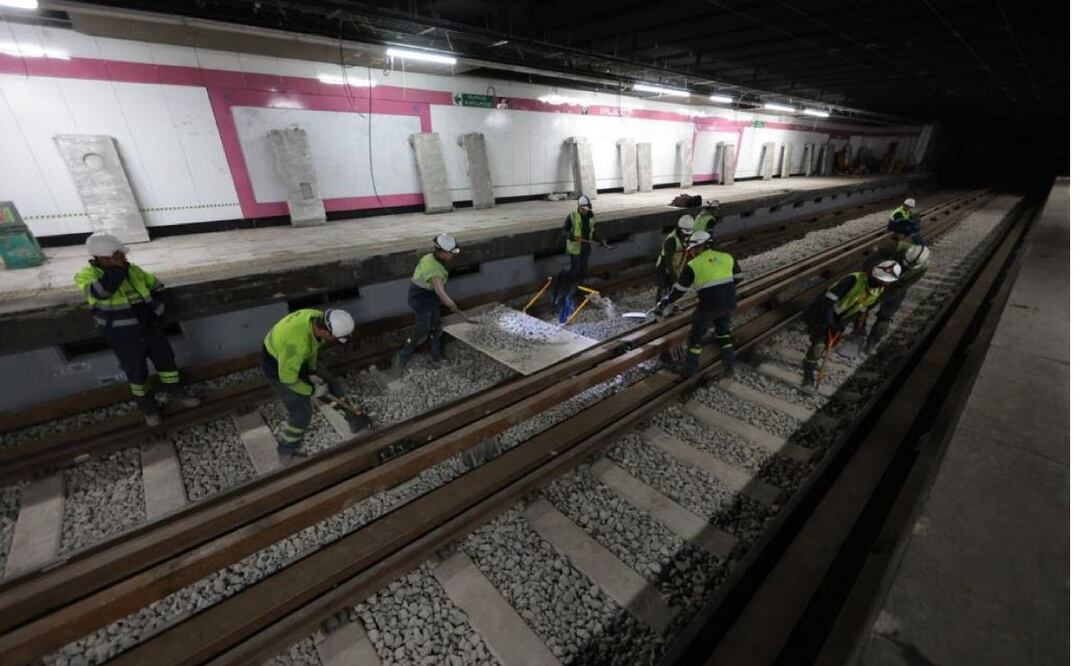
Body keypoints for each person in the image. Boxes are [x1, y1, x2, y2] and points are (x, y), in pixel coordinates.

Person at [74, 232, 200, 427]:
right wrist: (116, 270)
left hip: (149, 326)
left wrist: (160, 307)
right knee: (137, 372)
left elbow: (156, 285)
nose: (124, 257)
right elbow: (102, 292)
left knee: (166, 361)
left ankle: (176, 392)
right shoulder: (87, 275)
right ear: (102, 257)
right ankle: (148, 408)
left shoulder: (133, 269)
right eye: (118, 254)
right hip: (122, 334)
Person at [262, 307, 370, 456]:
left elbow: (313, 346)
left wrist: (312, 372)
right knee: (301, 413)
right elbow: (288, 380)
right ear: (325, 332)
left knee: (330, 385)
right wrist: (312, 390)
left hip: (295, 356)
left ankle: (354, 417)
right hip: (278, 365)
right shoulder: (296, 344)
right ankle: (286, 451)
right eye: (335, 338)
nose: (334, 341)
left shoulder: (318, 319)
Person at [801, 260, 902, 391]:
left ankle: (811, 360)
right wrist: (830, 322)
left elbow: (861, 310)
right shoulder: (853, 279)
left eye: (884, 281)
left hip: (839, 319)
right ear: (873, 272)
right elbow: (827, 301)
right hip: (821, 312)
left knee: (828, 343)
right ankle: (808, 377)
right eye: (879, 279)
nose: (880, 282)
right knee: (818, 345)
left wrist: (842, 324)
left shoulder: (878, 292)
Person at [656, 231, 743, 378]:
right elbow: (739, 278)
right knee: (724, 332)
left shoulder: (693, 265)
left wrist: (666, 301)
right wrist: (723, 289)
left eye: (694, 249)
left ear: (702, 247)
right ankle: (729, 365)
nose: (693, 252)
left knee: (695, 338)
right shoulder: (728, 257)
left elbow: (679, 290)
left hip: (708, 306)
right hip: (728, 301)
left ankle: (689, 370)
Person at [393, 233, 470, 373]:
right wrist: (452, 305)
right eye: (451, 253)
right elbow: (440, 292)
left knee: (436, 326)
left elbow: (437, 292)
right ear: (442, 252)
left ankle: (437, 357)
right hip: (421, 299)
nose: (453, 256)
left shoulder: (432, 257)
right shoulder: (433, 268)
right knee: (422, 329)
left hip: (430, 297)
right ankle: (402, 356)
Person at [863, 242, 930, 353]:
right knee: (861, 306)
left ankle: (872, 342)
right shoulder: (895, 247)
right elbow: (870, 261)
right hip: (877, 278)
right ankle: (858, 330)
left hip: (896, 288)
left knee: (885, 318)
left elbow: (904, 286)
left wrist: (880, 298)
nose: (906, 266)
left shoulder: (923, 267)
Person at [552, 195, 602, 321]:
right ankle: (566, 290)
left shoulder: (591, 216)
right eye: (584, 209)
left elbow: (593, 231)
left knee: (583, 271)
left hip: (586, 248)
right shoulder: (572, 216)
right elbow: (563, 231)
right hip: (575, 249)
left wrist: (598, 240)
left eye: (587, 209)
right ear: (579, 207)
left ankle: (575, 292)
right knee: (575, 271)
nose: (586, 211)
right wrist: (571, 235)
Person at [656, 214, 695, 301]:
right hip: (663, 267)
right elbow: (668, 261)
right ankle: (659, 309)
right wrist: (674, 277)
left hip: (675, 267)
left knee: (672, 289)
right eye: (685, 233)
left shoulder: (685, 237)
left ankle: (669, 306)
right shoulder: (671, 240)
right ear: (679, 229)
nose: (686, 236)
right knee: (663, 288)